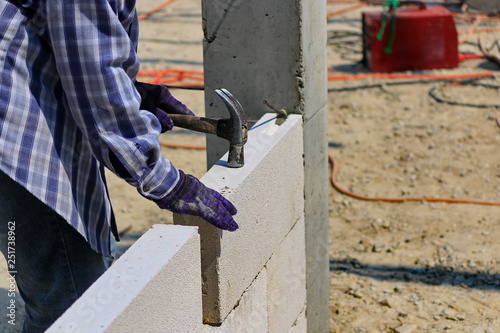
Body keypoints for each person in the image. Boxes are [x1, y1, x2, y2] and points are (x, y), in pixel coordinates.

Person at [0, 0, 238, 331]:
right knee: (74, 304)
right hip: (14, 136)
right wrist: (164, 181)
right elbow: (95, 77)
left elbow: (79, 42)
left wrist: (131, 91)